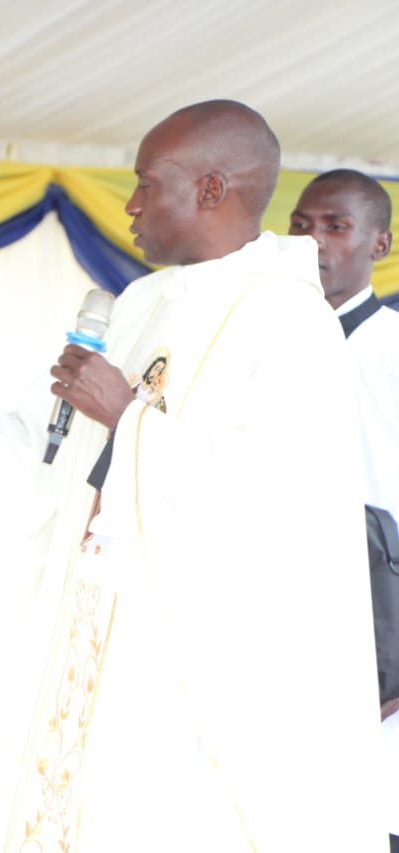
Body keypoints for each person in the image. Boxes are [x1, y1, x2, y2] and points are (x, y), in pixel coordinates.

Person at [0, 101, 383, 851]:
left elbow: (280, 508)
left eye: (150, 185)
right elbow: (47, 454)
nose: (131, 205)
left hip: (191, 678)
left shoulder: (291, 322)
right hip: (95, 638)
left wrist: (129, 420)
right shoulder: (142, 304)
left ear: (214, 190)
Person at [288, 168, 399, 848]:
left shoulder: (392, 352)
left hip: (383, 635)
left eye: (336, 226)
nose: (314, 244)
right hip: (287, 624)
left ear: (378, 245)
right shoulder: (261, 348)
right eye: (301, 226)